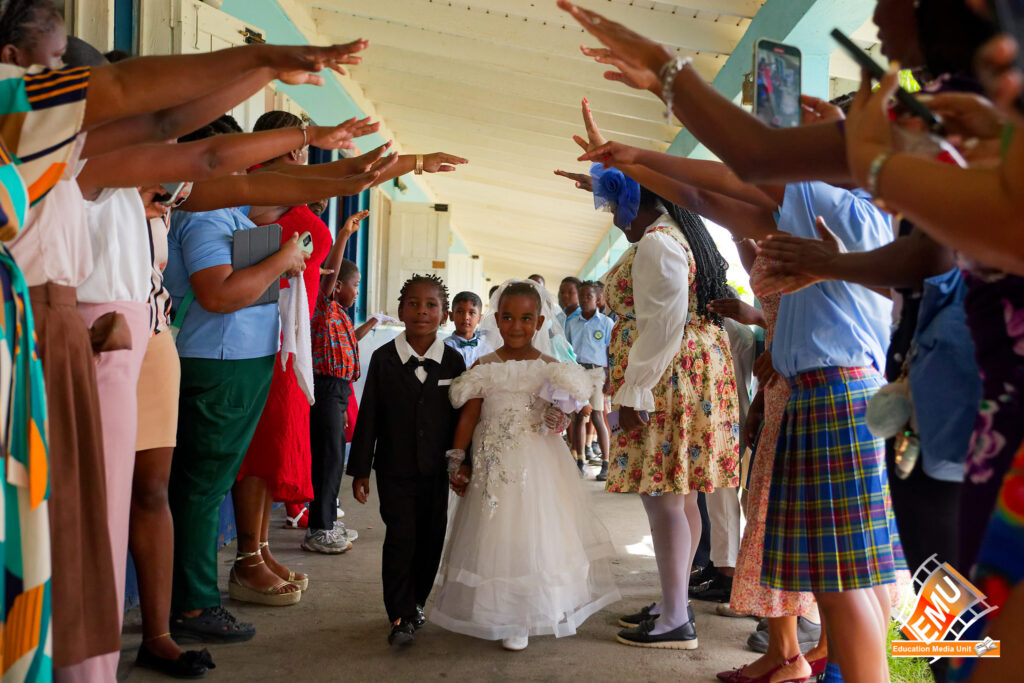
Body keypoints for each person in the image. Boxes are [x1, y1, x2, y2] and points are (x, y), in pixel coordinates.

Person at [432, 280, 619, 651]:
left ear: (539, 322)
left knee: (535, 531)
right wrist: (457, 458)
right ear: (496, 320)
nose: (516, 326)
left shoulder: (551, 368)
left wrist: (559, 420)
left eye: (526, 318)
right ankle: (496, 609)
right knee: (494, 533)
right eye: (508, 317)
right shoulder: (484, 365)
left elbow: (566, 411)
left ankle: (528, 611)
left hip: (538, 463)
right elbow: (469, 417)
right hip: (492, 463)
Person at [598, 176, 739, 649]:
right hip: (688, 373)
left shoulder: (657, 244)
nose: (612, 218)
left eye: (613, 207)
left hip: (665, 379)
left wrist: (635, 390)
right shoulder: (675, 233)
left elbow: (661, 327)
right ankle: (673, 600)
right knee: (679, 495)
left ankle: (677, 618)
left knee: (662, 499)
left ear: (635, 204)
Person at [347, 274, 466, 647]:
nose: (421, 312)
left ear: (444, 315)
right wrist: (361, 470)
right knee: (401, 537)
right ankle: (398, 612)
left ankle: (416, 604)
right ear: (400, 310)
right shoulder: (383, 359)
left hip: (436, 470)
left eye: (431, 305)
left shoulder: (453, 360)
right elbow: (369, 415)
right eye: (413, 304)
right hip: (394, 468)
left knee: (431, 539)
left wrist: (463, 463)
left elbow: (464, 417)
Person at [306, 215, 382, 554]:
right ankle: (318, 529)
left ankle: (329, 521)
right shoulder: (323, 306)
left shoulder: (340, 314)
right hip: (324, 388)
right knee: (328, 457)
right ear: (338, 286)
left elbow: (349, 342)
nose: (357, 289)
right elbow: (330, 277)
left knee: (336, 458)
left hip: (339, 392)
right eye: (356, 283)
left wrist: (370, 325)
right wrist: (343, 237)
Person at [564, 280, 613, 479]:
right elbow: (566, 350)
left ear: (598, 299)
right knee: (577, 416)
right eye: (581, 296)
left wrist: (610, 377)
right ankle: (580, 461)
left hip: (596, 373)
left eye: (589, 297)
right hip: (577, 372)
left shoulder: (606, 323)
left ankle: (606, 463)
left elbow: (611, 352)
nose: (584, 301)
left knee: (597, 415)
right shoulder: (571, 322)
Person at [444, 290, 494, 367]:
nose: (466, 317)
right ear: (451, 316)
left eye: (471, 313)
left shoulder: (487, 350)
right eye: (460, 312)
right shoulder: (444, 347)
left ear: (479, 318)